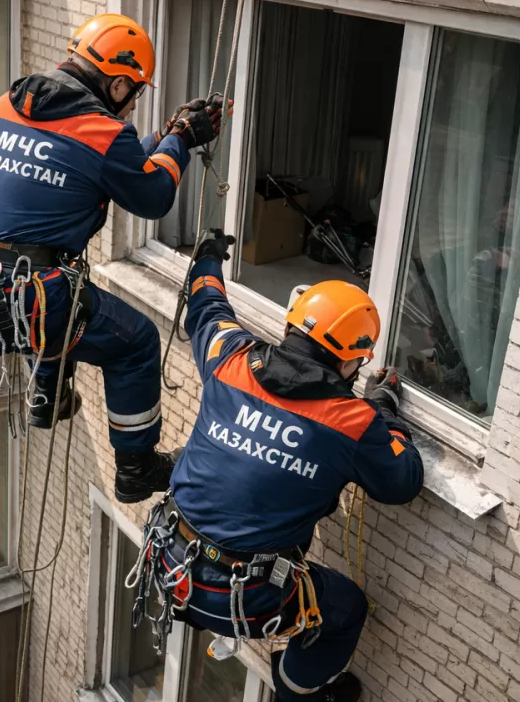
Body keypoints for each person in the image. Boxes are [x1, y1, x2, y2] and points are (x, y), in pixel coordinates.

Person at [0, 13, 223, 504]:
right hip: (21, 302)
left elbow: (107, 163)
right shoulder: (102, 133)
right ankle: (136, 468)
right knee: (135, 342)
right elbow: (152, 194)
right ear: (115, 85)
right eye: (133, 95)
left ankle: (47, 391)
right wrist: (183, 138)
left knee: (66, 299)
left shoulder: (8, 104)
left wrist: (167, 134)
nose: (131, 107)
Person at [144, 230, 423, 701]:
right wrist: (386, 410)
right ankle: (296, 691)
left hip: (171, 565)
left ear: (292, 325)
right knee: (347, 608)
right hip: (247, 597)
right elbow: (403, 480)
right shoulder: (352, 423)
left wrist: (208, 259)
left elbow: (207, 308)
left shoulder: (231, 358)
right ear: (352, 360)